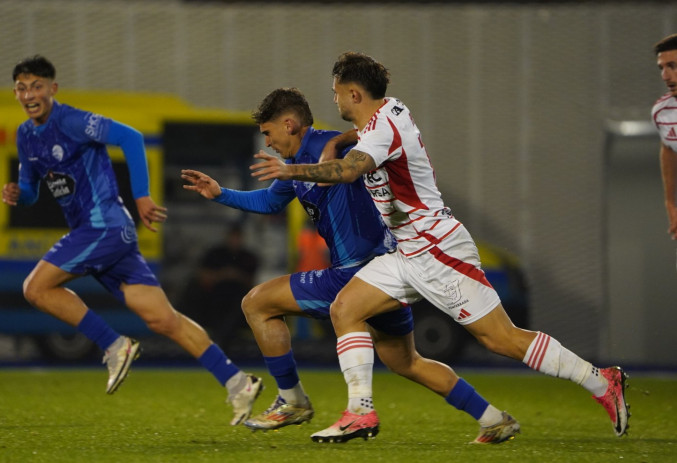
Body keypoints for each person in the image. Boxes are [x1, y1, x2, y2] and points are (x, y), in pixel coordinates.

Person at [251, 53, 630, 441]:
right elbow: (361, 136)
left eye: (337, 94)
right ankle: (360, 412)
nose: (334, 101)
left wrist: (291, 170)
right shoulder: (391, 111)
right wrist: (340, 142)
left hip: (438, 249)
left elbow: (350, 171)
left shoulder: (381, 132)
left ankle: (601, 381)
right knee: (345, 308)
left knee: (501, 339)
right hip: (406, 252)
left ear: (353, 93)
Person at [182, 87, 518, 444]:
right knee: (407, 362)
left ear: (290, 124)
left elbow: (376, 130)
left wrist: (341, 137)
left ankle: (296, 402)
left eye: (268, 133)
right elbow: (269, 202)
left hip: (358, 271)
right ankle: (493, 418)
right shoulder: (296, 169)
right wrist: (221, 194)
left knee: (257, 303)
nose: (268, 142)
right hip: (384, 273)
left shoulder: (332, 145)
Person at [1, 55, 262, 426]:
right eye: (22, 88)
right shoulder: (25, 136)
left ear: (52, 89)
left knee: (35, 288)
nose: (30, 94)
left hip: (102, 227)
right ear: (16, 93)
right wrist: (17, 194)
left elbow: (130, 137)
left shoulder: (72, 120)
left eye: (37, 86)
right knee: (164, 320)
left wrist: (141, 195)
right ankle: (238, 383)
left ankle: (113, 345)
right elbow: (30, 190)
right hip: (103, 234)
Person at [181, 224, 260, 350]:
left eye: (237, 237)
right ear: (227, 237)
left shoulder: (248, 257)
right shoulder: (215, 254)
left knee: (239, 307)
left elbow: (251, 283)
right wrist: (223, 275)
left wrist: (235, 276)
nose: (235, 240)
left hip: (237, 297)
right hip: (214, 295)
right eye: (233, 237)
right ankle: (215, 339)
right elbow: (203, 277)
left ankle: (221, 340)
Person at [653, 33, 677, 244]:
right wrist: (670, 202)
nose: (665, 76)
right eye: (661, 68)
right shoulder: (662, 112)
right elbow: (668, 149)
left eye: (672, 66)